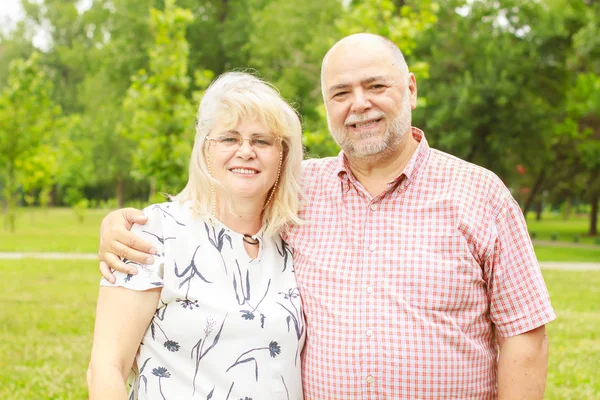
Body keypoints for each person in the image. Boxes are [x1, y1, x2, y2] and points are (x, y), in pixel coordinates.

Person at [97, 34, 556, 399]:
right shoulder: (302, 191)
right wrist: (117, 224)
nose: (359, 104)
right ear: (326, 105)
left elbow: (525, 335)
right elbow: (221, 201)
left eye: (376, 86)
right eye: (341, 92)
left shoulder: (479, 193)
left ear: (411, 88)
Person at [87, 72, 306, 400]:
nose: (246, 151)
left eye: (261, 141)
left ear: (282, 156)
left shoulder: (291, 242)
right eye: (229, 139)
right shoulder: (156, 232)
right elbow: (107, 367)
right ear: (205, 150)